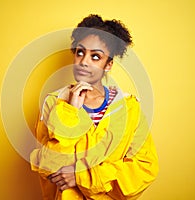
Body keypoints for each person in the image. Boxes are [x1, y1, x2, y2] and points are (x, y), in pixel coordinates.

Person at [30, 14, 159, 199]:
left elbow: (144, 168)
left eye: (95, 56)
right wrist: (70, 112)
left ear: (108, 65)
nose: (84, 61)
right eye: (80, 52)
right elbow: (48, 165)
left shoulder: (129, 108)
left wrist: (80, 176)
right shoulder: (54, 102)